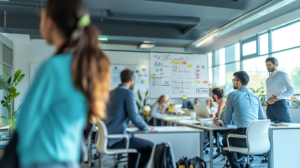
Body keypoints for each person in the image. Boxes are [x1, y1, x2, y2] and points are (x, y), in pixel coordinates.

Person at [16, 1, 111, 168]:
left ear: (50, 23)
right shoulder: (85, 69)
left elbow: (25, 124)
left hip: (43, 161)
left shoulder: (53, 67)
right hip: (69, 160)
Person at [213, 71, 265, 168]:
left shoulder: (232, 95)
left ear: (238, 81)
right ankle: (240, 164)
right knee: (235, 137)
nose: (233, 82)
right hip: (257, 137)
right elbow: (262, 118)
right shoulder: (256, 96)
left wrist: (219, 122)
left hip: (243, 136)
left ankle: (236, 166)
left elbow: (226, 122)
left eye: (234, 80)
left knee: (226, 138)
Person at [105, 69, 154, 168]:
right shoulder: (128, 93)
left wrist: (127, 124)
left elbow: (113, 116)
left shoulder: (110, 93)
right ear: (132, 80)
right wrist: (146, 127)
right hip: (118, 139)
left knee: (135, 146)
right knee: (151, 146)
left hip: (108, 138)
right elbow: (134, 116)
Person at [265, 57, 294, 122]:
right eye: (266, 65)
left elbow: (291, 89)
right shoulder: (268, 79)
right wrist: (269, 99)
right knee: (271, 126)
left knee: (286, 126)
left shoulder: (282, 75)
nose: (267, 67)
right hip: (269, 106)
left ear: (275, 64)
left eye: (269, 64)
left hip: (280, 104)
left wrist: (277, 98)